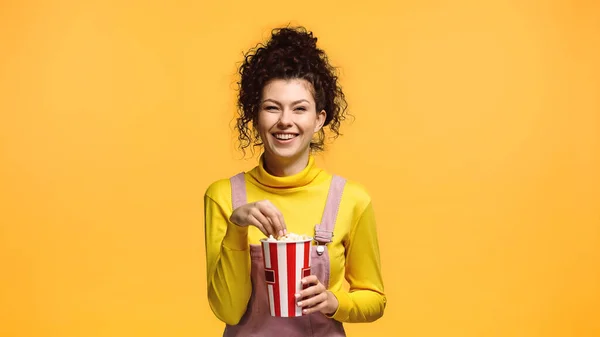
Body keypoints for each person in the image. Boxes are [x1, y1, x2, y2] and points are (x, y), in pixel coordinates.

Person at [204, 26, 386, 336]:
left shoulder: (350, 198)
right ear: (255, 117)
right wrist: (237, 227)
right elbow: (228, 311)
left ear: (319, 119)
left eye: (300, 108)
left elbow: (375, 299)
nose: (285, 121)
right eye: (271, 107)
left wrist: (334, 302)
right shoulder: (223, 196)